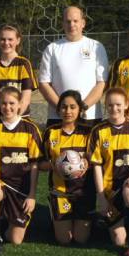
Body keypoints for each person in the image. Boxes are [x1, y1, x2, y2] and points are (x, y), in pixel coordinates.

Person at [0, 86, 42, 254]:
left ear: (20, 104)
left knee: (15, 240)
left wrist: (32, 195)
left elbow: (35, 164)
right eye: (3, 103)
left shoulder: (30, 129)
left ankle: (3, 221)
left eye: (12, 103)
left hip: (21, 189)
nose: (8, 107)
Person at [89, 87, 129, 256]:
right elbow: (97, 166)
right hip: (109, 191)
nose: (114, 109)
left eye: (118, 105)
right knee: (118, 240)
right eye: (110, 105)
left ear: (126, 105)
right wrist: (101, 196)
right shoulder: (98, 131)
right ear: (105, 106)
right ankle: (109, 219)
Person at [39, 6, 109, 127]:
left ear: (83, 23)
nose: (72, 24)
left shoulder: (96, 47)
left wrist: (83, 106)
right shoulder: (52, 49)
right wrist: (63, 108)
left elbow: (101, 83)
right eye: (68, 21)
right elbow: (44, 83)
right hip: (58, 117)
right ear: (63, 24)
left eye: (75, 21)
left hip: (89, 116)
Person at [40, 90, 94, 245]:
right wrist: (53, 165)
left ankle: (90, 219)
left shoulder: (88, 132)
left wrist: (86, 164)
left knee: (81, 239)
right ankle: (56, 214)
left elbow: (97, 162)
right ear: (58, 110)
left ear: (79, 110)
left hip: (84, 192)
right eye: (64, 107)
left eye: (72, 107)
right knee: (64, 240)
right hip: (60, 192)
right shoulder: (51, 132)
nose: (68, 111)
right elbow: (40, 163)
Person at [0, 24, 38, 120]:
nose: (6, 43)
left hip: (20, 119)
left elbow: (26, 98)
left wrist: (14, 120)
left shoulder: (23, 64)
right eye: (3, 39)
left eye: (10, 39)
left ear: (18, 40)